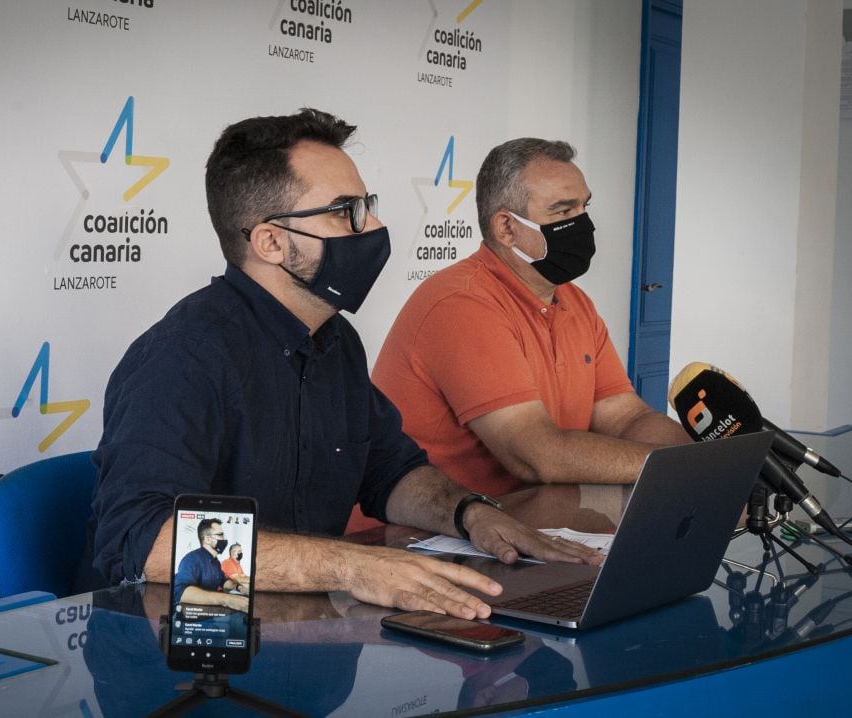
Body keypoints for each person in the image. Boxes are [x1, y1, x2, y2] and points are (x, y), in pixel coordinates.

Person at [89, 111, 600, 621]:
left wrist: (471, 515)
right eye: (344, 212)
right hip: (188, 667)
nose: (372, 227)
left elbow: (389, 472)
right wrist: (352, 567)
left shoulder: (336, 342)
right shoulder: (182, 356)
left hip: (306, 645)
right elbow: (142, 537)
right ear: (270, 242)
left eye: (367, 207)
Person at [371, 138, 690, 501]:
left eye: (584, 207)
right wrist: (676, 468)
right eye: (563, 212)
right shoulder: (461, 304)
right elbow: (536, 455)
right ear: (506, 228)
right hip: (428, 534)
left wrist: (703, 462)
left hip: (527, 523)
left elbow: (625, 417)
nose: (582, 224)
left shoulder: (574, 301)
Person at [172, 518, 248, 612]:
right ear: (208, 539)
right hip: (190, 617)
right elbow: (180, 592)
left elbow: (223, 581)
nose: (224, 539)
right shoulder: (192, 559)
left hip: (210, 616)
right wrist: (227, 600)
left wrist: (240, 588)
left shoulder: (216, 562)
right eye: (220, 535)